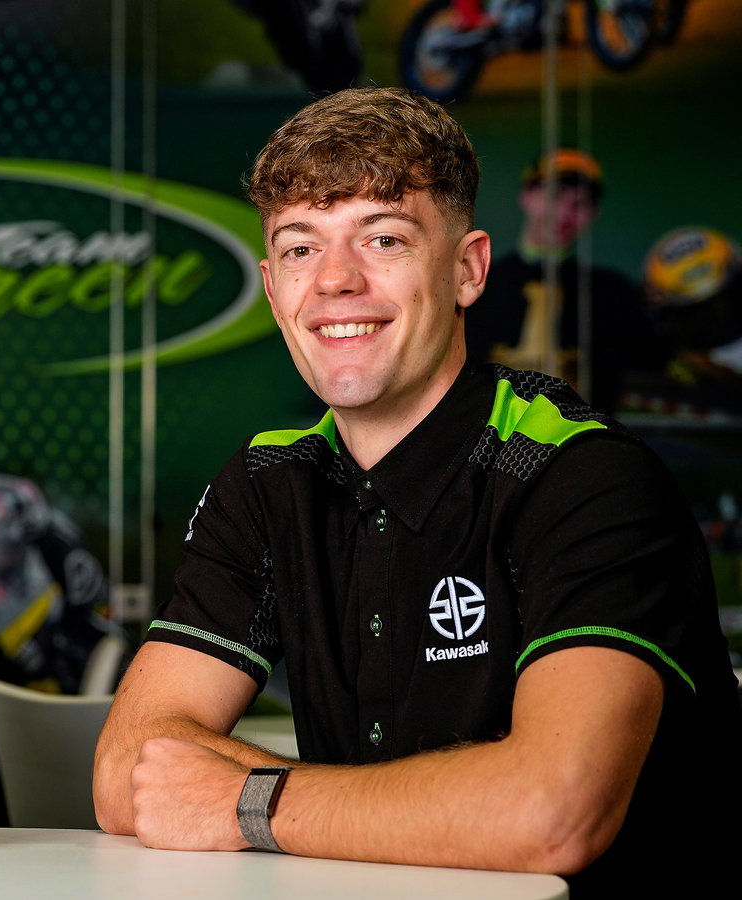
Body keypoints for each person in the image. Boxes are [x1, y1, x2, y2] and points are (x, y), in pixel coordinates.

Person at [92, 87, 741, 896]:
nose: (335, 281)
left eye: (384, 239)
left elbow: (551, 812)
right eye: (299, 249)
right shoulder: (266, 484)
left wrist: (243, 801)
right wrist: (423, 803)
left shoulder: (583, 475)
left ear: (468, 270)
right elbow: (129, 773)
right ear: (271, 286)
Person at [463, 147, 666, 410]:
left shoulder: (612, 293)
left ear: (594, 213)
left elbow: (658, 360)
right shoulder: (476, 283)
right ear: (527, 196)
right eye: (555, 196)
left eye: (580, 204)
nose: (564, 213)